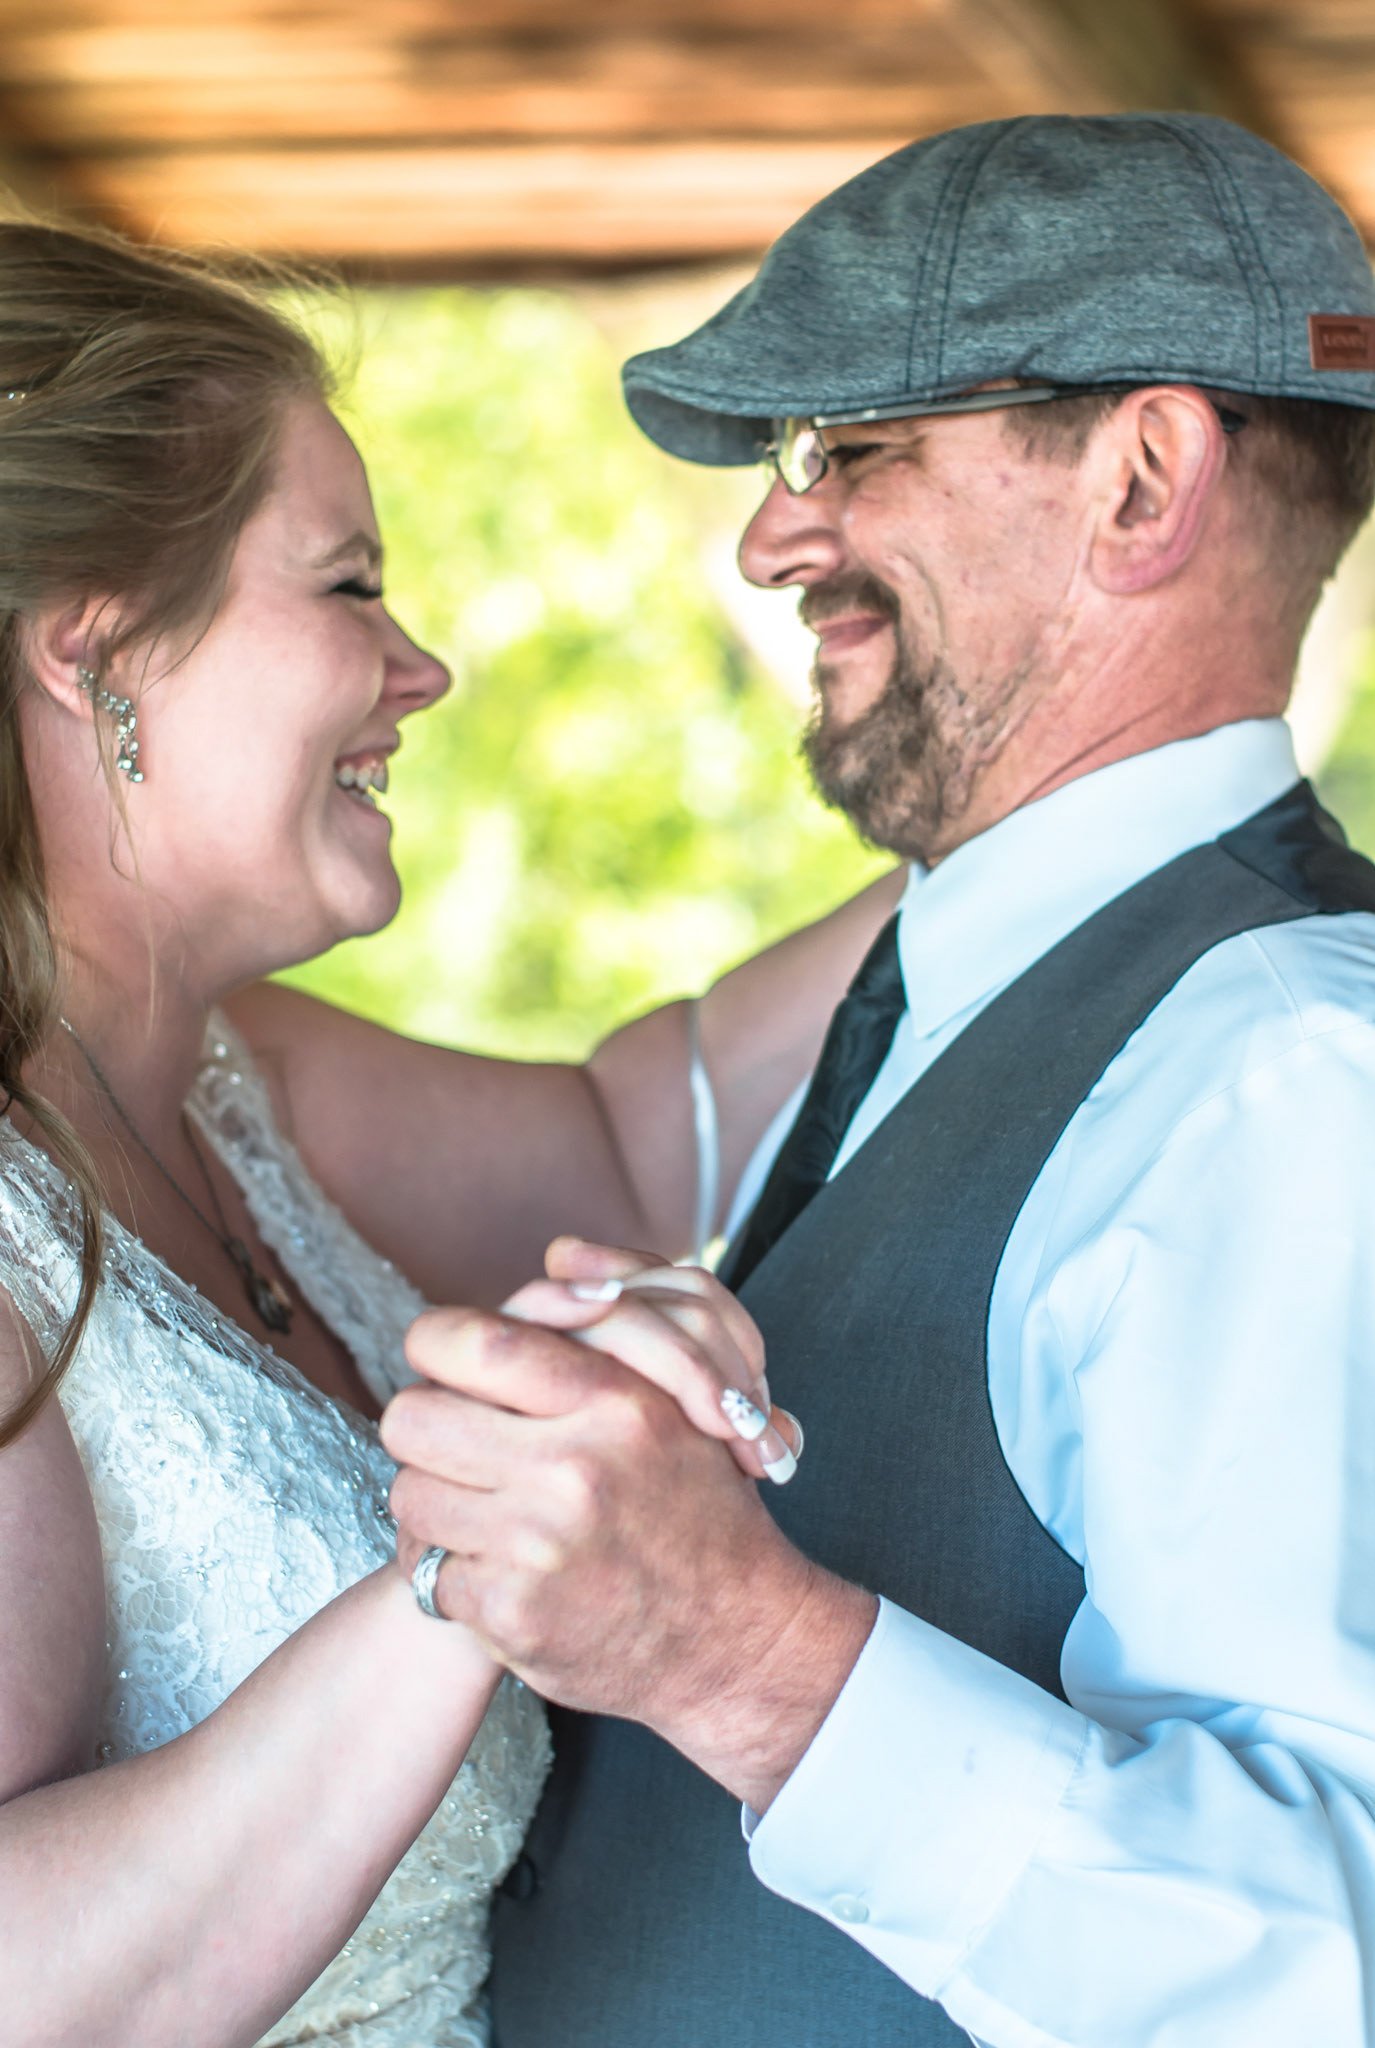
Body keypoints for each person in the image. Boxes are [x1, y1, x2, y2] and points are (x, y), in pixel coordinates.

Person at [383, 112, 1375, 2045]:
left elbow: (1328, 1965)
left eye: (855, 449)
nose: (773, 537)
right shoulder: (957, 976)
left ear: (1141, 481)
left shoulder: (1289, 1075)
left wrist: (738, 1653)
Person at [0, 211, 889, 2046]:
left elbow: (640, 1146)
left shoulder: (229, 1077)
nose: (421, 670)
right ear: (97, 652)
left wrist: (1053, 805)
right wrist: (475, 1560)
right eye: (348, 588)